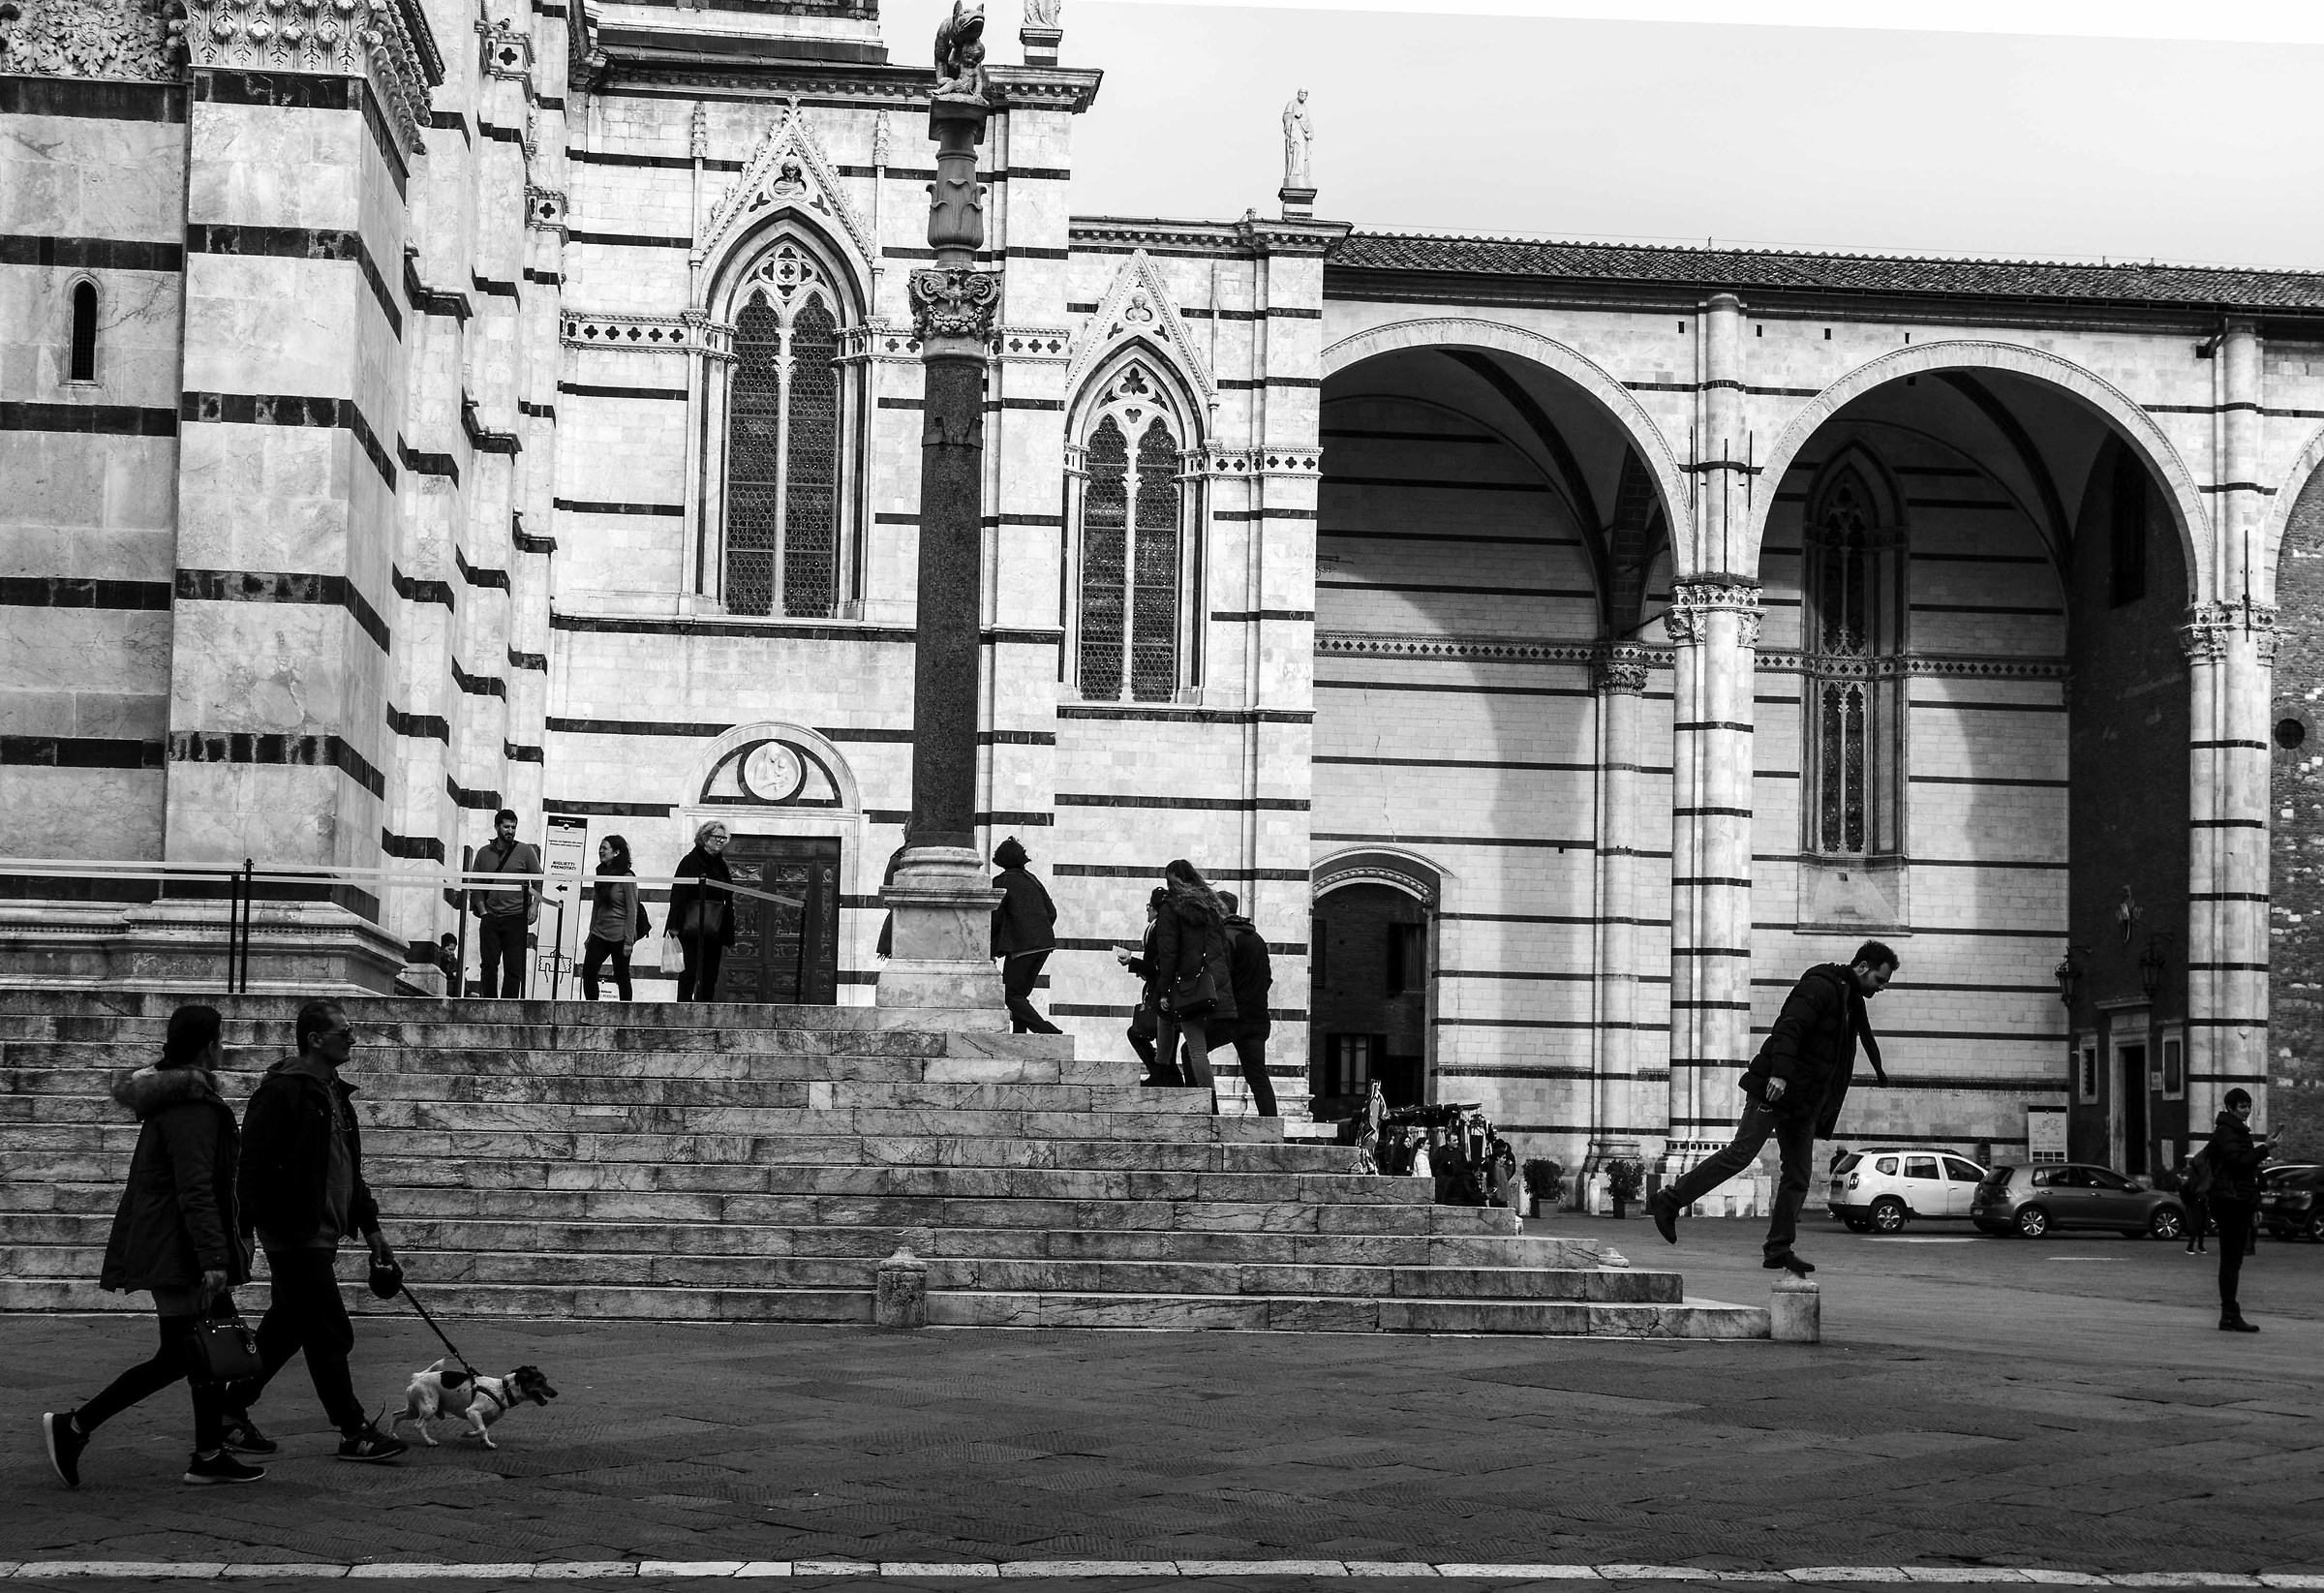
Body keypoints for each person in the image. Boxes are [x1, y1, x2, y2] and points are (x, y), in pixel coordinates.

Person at [44, 1005, 261, 1488]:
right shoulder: (192, 1108)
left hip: (176, 1242)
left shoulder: (181, 1102)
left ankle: (207, 1454)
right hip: (180, 1249)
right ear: (210, 1045)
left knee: (204, 1349)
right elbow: (197, 1187)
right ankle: (75, 1426)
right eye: (220, 1041)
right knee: (185, 1353)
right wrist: (213, 1259)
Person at [223, 1000, 409, 1462]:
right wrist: (244, 1229)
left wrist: (371, 1228)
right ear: (315, 1039)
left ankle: (227, 1410)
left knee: (287, 1326)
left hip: (325, 1228)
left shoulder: (336, 1093)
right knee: (328, 1328)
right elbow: (252, 1166)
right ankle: (352, 1429)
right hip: (293, 1229)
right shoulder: (281, 1093)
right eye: (344, 1031)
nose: (353, 1037)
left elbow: (349, 1167)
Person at [1648, 940, 1897, 1275]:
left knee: (1798, 1175)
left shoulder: (1849, 999)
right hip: (1775, 1090)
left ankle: (1779, 1247)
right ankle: (1670, 1200)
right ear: (1863, 967)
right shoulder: (1820, 986)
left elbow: (1841, 1054)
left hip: (1803, 1103)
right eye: (1879, 981)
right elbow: (1789, 1028)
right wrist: (1779, 1074)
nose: (1880, 988)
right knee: (1741, 1153)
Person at [1150, 859, 1237, 1114]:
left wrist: (1164, 990)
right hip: (1210, 984)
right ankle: (1201, 1100)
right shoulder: (1211, 908)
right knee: (1193, 1044)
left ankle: (1202, 1102)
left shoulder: (1170, 909)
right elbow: (1221, 950)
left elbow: (1169, 953)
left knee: (1193, 1045)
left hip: (1186, 985)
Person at [1199, 891, 1277, 1117]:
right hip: (1257, 1017)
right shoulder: (1257, 938)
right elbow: (1267, 978)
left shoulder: (1224, 937)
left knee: (1192, 1051)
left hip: (1233, 1017)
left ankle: (1208, 1113)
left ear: (1220, 910)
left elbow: (1221, 977)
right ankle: (1270, 1126)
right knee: (1257, 1076)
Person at [2205, 1087, 2273, 1332]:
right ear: (2231, 1108)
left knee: (2233, 1259)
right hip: (2230, 1201)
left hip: (2238, 1200)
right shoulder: (2227, 1132)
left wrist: (2255, 1204)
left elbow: (2249, 1175)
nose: (2246, 1111)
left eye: (2248, 1106)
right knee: (2231, 1259)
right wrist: (2265, 1148)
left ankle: (2230, 1314)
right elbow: (2238, 1164)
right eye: (2242, 1106)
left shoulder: (2238, 1131)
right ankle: (2230, 1313)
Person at [990, 836, 1061, 1034]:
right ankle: (1019, 1035)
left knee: (1010, 995)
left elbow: (995, 918)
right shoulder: (1032, 879)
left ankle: (1046, 1030)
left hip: (1022, 946)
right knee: (1019, 995)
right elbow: (1052, 912)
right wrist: (1039, 932)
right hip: (1045, 944)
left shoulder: (1001, 881)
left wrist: (989, 945)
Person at [471, 809, 540, 999]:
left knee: (513, 966)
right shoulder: (484, 853)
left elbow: (538, 880)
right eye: (507, 827)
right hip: (491, 915)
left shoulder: (526, 851)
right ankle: (489, 1003)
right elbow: (475, 884)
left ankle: (508, 1005)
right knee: (489, 964)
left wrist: (534, 906)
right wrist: (483, 912)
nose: (510, 831)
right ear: (496, 827)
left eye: (513, 827)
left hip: (516, 916)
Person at [669, 820, 734, 1002]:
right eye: (717, 837)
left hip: (715, 927)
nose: (721, 841)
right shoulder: (690, 862)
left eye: (724, 838)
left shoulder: (721, 865)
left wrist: (728, 930)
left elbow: (728, 897)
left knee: (710, 974)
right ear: (705, 838)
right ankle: (683, 1010)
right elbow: (678, 895)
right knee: (689, 972)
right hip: (691, 926)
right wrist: (674, 926)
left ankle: (704, 1012)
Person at [1116, 888, 1173, 1086]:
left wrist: (1132, 962)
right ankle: (1165, 1077)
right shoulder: (1155, 928)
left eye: (1149, 906)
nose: (1147, 910)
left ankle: (1162, 1077)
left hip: (1161, 993)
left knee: (1139, 1033)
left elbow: (1158, 967)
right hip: (1159, 990)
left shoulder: (1160, 929)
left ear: (1157, 910)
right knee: (1162, 1039)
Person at [581, 834, 640, 1001]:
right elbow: (596, 906)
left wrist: (629, 940)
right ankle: (592, 1007)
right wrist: (590, 933)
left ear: (616, 852)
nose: (601, 851)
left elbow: (632, 909)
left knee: (622, 975)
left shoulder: (627, 877)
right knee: (589, 972)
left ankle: (625, 1014)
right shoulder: (601, 873)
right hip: (600, 931)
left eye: (605, 848)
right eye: (600, 847)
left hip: (620, 934)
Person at [2176, 1149, 2212, 1256]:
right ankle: (2192, 1246)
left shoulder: (2199, 1171)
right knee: (2198, 1223)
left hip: (2200, 1198)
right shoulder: (2199, 1172)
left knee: (2201, 1223)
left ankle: (2199, 1246)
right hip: (2196, 1199)